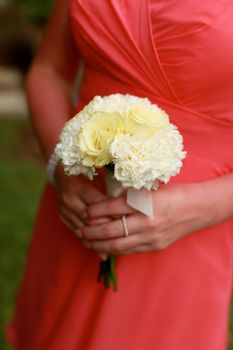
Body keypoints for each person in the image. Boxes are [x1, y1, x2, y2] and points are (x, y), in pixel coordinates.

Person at [7, 0, 233, 349]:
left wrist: (204, 206)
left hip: (184, 238)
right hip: (76, 211)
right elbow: (49, 71)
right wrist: (61, 169)